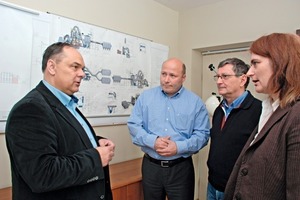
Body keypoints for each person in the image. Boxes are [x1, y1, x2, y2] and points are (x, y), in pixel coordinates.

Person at [5, 42, 115, 200]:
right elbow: (42, 174)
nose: (82, 74)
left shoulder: (66, 103)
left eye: (82, 69)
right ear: (52, 67)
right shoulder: (30, 109)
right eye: (75, 67)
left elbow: (64, 141)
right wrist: (95, 158)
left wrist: (95, 143)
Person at [224, 33, 300, 199]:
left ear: (281, 63)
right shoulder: (269, 108)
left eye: (255, 63)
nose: (250, 73)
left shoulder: (296, 115)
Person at [127, 58, 210, 200]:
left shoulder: (195, 103)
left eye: (172, 75)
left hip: (181, 169)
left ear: (183, 78)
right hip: (151, 167)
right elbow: (134, 125)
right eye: (163, 74)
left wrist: (178, 147)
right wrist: (153, 141)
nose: (166, 80)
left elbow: (202, 135)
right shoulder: (145, 98)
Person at [206, 58, 262, 200]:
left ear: (243, 80)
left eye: (225, 76)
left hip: (237, 189)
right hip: (212, 185)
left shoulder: (258, 111)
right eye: (217, 77)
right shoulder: (219, 110)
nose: (219, 81)